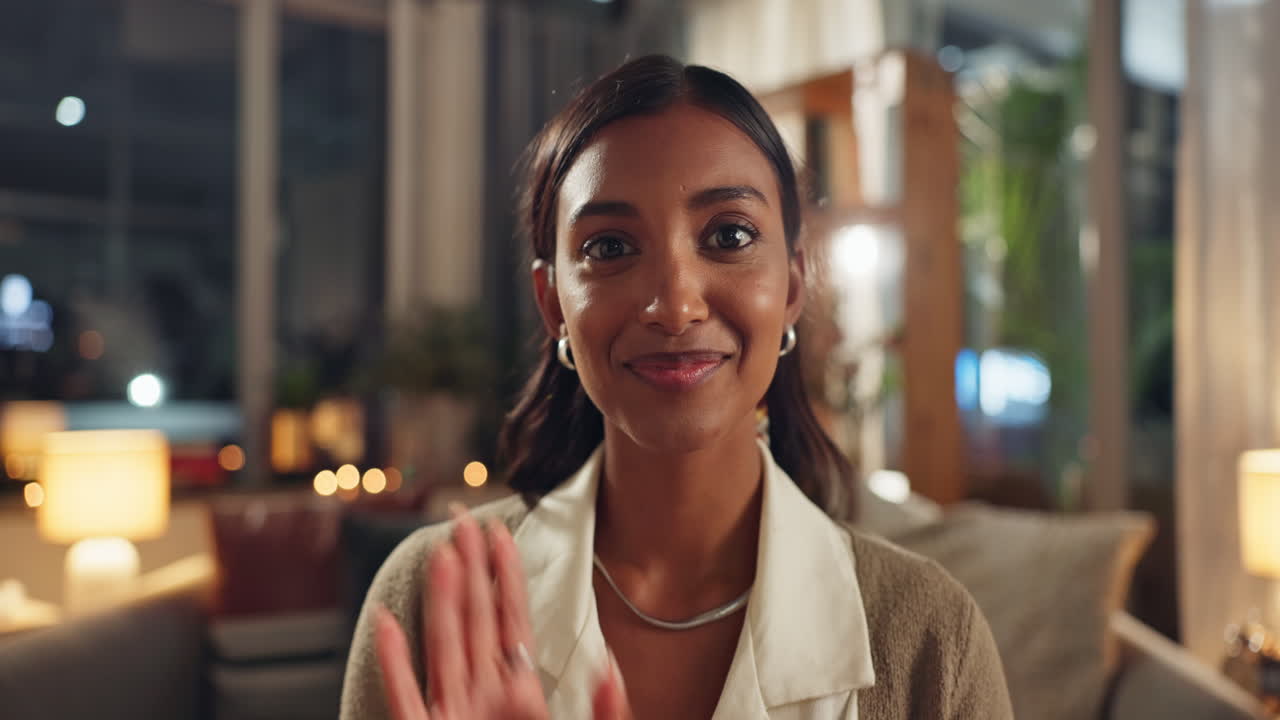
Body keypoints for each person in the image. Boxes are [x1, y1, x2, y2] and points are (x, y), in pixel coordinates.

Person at [340, 54, 1013, 720]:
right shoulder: (427, 598)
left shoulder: (931, 638)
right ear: (552, 304)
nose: (674, 305)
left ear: (792, 287)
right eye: (609, 247)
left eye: (729, 235)